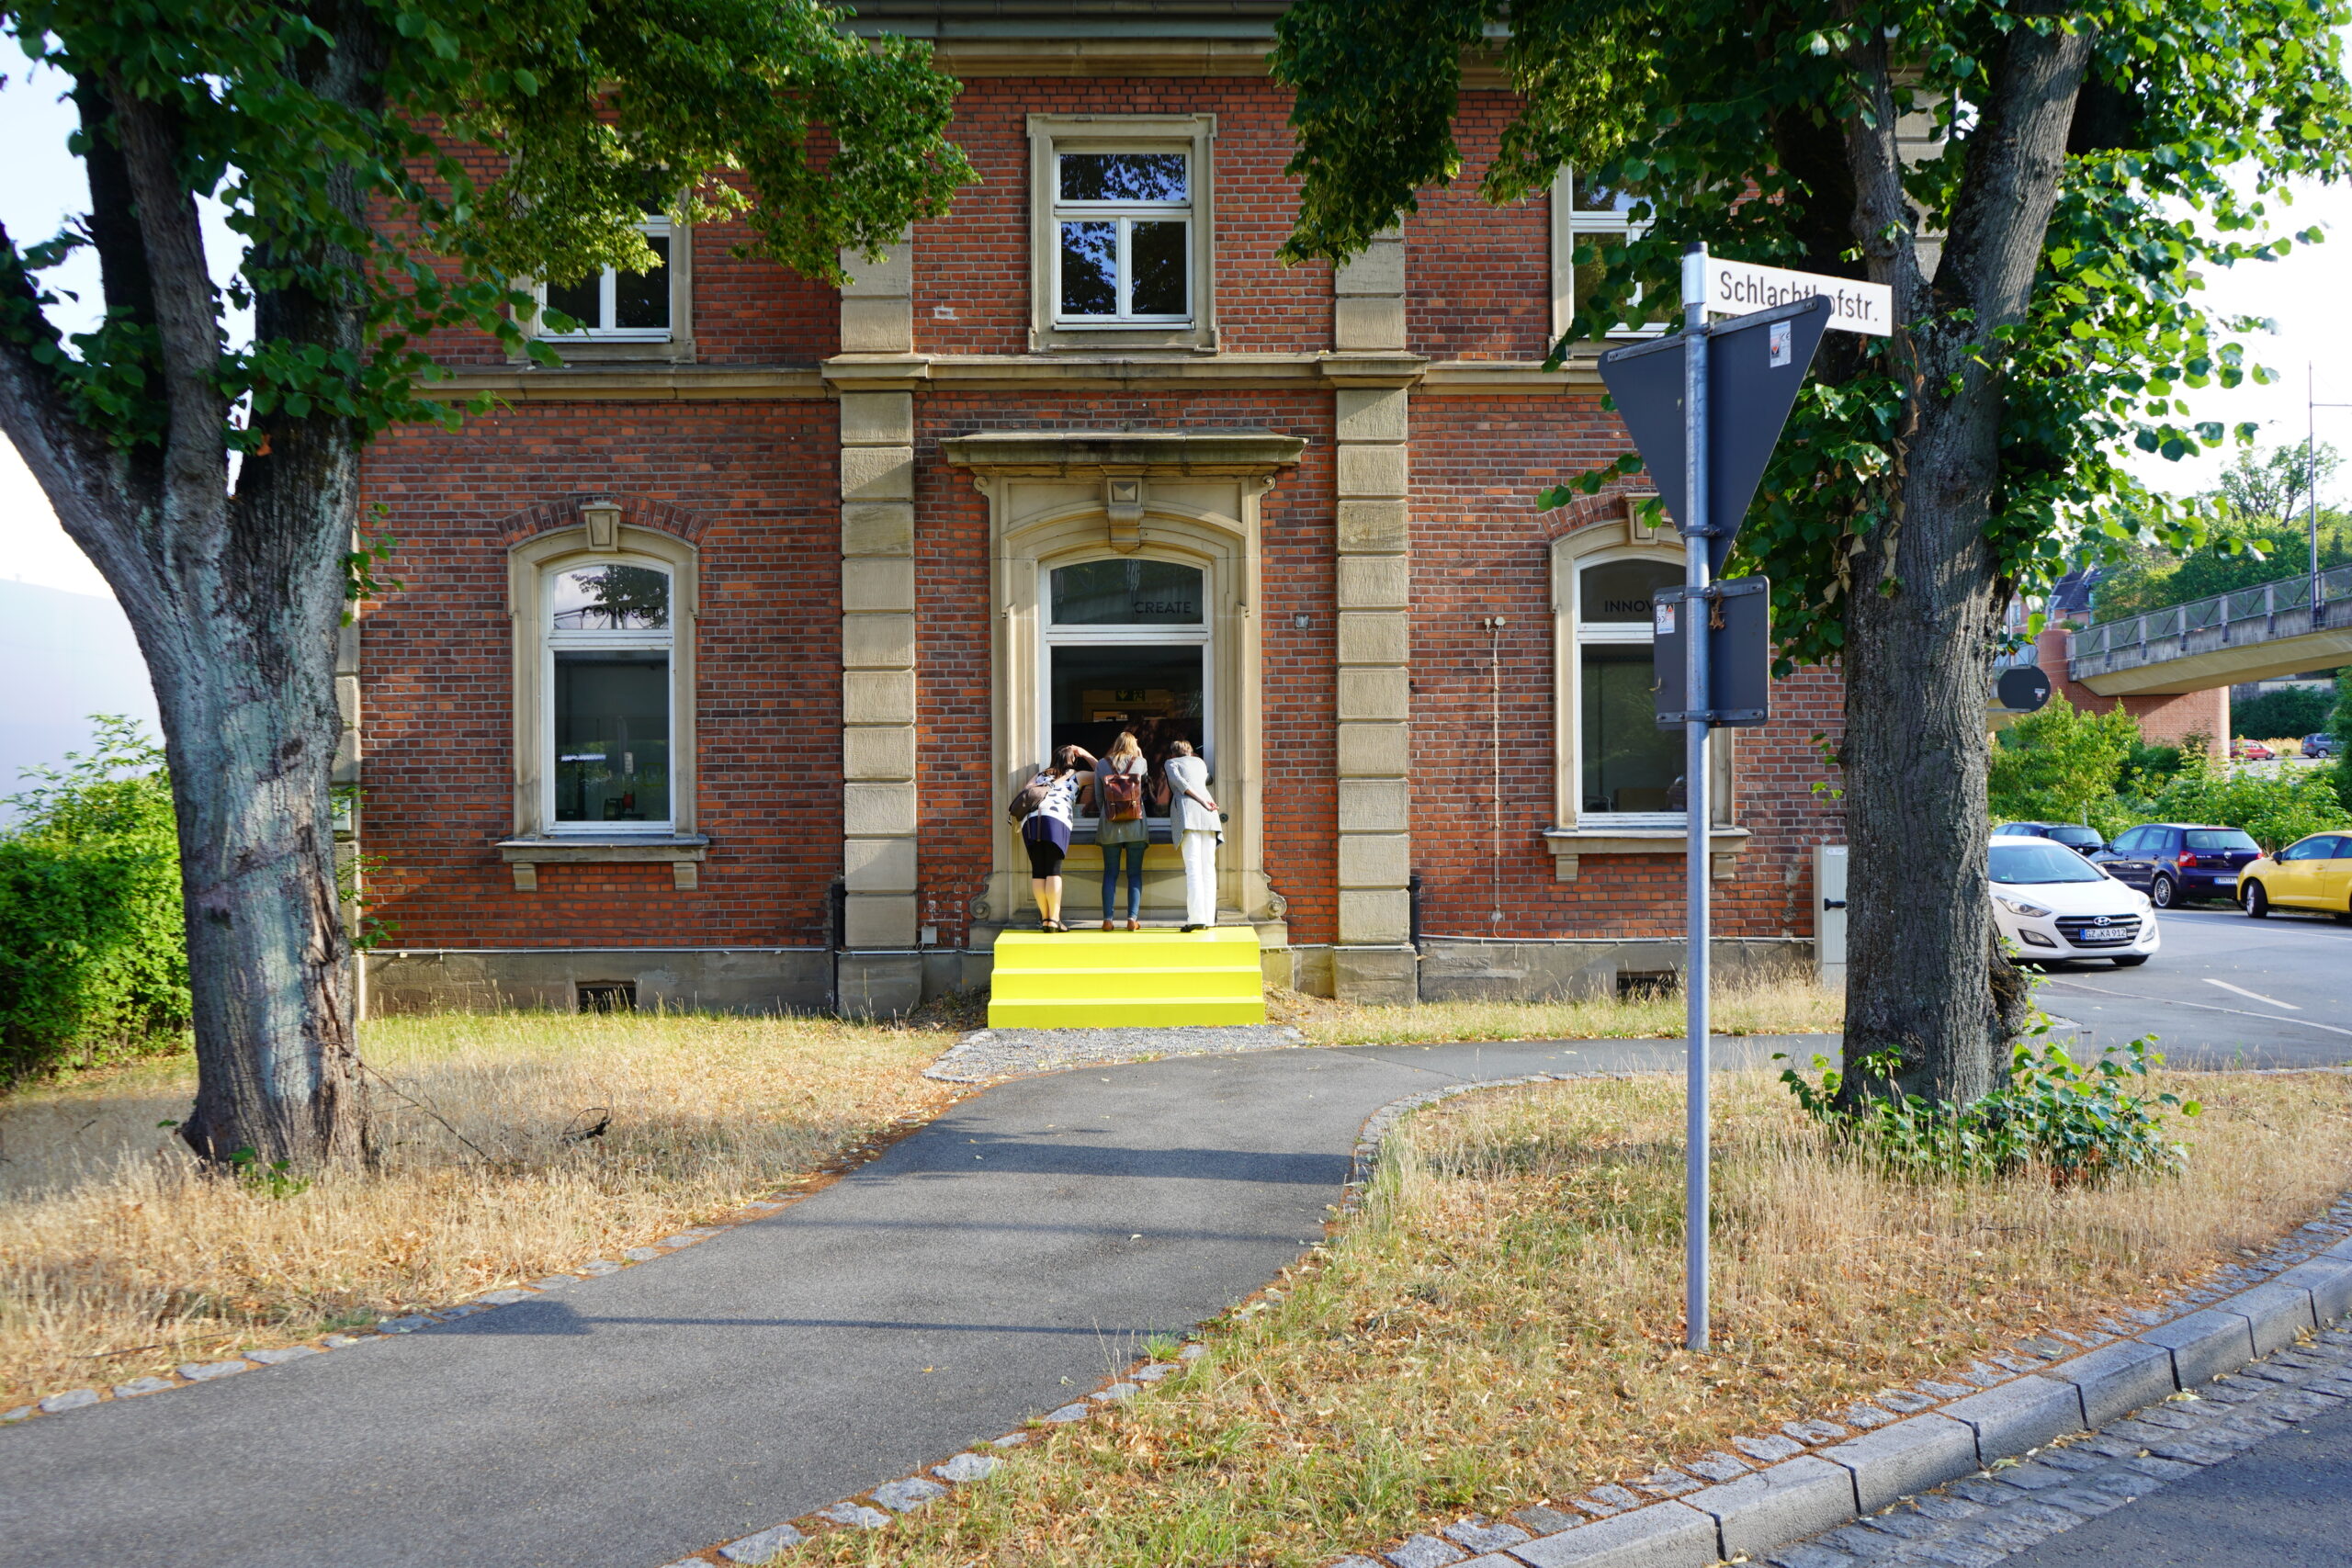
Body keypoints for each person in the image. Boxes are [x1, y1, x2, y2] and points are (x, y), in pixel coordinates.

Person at [1016, 744, 1092, 931]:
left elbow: (1027, 791)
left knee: (1039, 871)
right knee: (1053, 870)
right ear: (1071, 760)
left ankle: (1045, 918)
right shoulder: (1077, 775)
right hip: (1056, 821)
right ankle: (1055, 919)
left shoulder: (1041, 774)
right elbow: (1103, 773)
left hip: (1031, 822)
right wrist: (1085, 753)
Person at [1089, 731, 1156, 931]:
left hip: (1110, 826)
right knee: (1134, 874)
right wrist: (1141, 756)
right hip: (1135, 825)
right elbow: (1145, 787)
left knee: (1110, 873)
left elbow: (1100, 798)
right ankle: (1131, 919)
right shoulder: (1140, 762)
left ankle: (1108, 920)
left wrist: (1110, 813)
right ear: (1133, 746)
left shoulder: (1102, 764)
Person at [1162, 739, 1220, 931]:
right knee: (1208, 869)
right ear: (1190, 751)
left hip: (1190, 816)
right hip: (1210, 817)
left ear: (1173, 753)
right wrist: (1206, 801)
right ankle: (1209, 918)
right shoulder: (1200, 763)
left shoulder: (1171, 763)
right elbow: (1207, 779)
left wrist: (1202, 801)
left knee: (1194, 868)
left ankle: (1197, 918)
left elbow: (1180, 784)